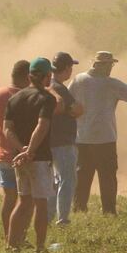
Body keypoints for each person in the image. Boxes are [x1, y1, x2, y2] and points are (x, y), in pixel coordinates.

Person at [69, 51, 127, 215]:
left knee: (82, 175)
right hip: (105, 138)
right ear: (102, 65)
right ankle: (108, 210)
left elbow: (68, 100)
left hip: (82, 137)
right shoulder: (110, 83)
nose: (110, 68)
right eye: (109, 65)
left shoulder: (78, 80)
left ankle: (79, 208)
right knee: (107, 176)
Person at [4, 58, 57, 253]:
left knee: (23, 201)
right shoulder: (47, 98)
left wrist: (21, 149)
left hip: (20, 159)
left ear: (29, 76)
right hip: (39, 158)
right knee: (41, 203)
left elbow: (7, 129)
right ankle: (40, 248)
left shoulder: (14, 98)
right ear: (45, 76)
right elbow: (42, 125)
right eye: (49, 75)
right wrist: (30, 151)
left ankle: (11, 245)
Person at [0, 60, 30, 243]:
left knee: (9, 198)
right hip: (21, 154)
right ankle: (19, 237)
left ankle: (8, 237)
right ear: (27, 77)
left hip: (3, 154)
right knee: (25, 200)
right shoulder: (26, 97)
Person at [48, 52, 84, 225]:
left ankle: (48, 216)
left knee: (55, 180)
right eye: (71, 67)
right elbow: (77, 109)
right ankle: (62, 219)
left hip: (50, 140)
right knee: (67, 179)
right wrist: (75, 110)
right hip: (62, 141)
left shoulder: (47, 85)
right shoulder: (60, 88)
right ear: (67, 68)